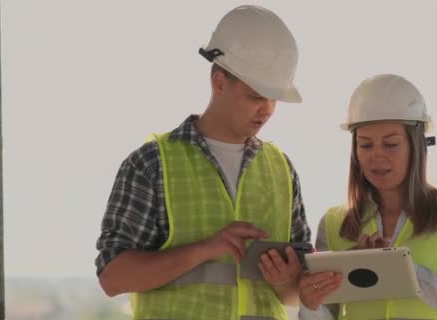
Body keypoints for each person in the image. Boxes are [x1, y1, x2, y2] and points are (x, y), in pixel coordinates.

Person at [94, 5, 311, 320]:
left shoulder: (281, 169)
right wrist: (204, 249)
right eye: (255, 96)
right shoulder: (152, 164)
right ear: (219, 81)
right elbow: (113, 277)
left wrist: (287, 282)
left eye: (273, 98)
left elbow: (292, 296)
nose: (266, 109)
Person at [298, 74, 437, 320]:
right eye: (366, 145)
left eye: (390, 144)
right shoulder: (334, 223)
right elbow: (329, 313)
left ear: (417, 146)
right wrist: (310, 305)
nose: (376, 156)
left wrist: (403, 269)